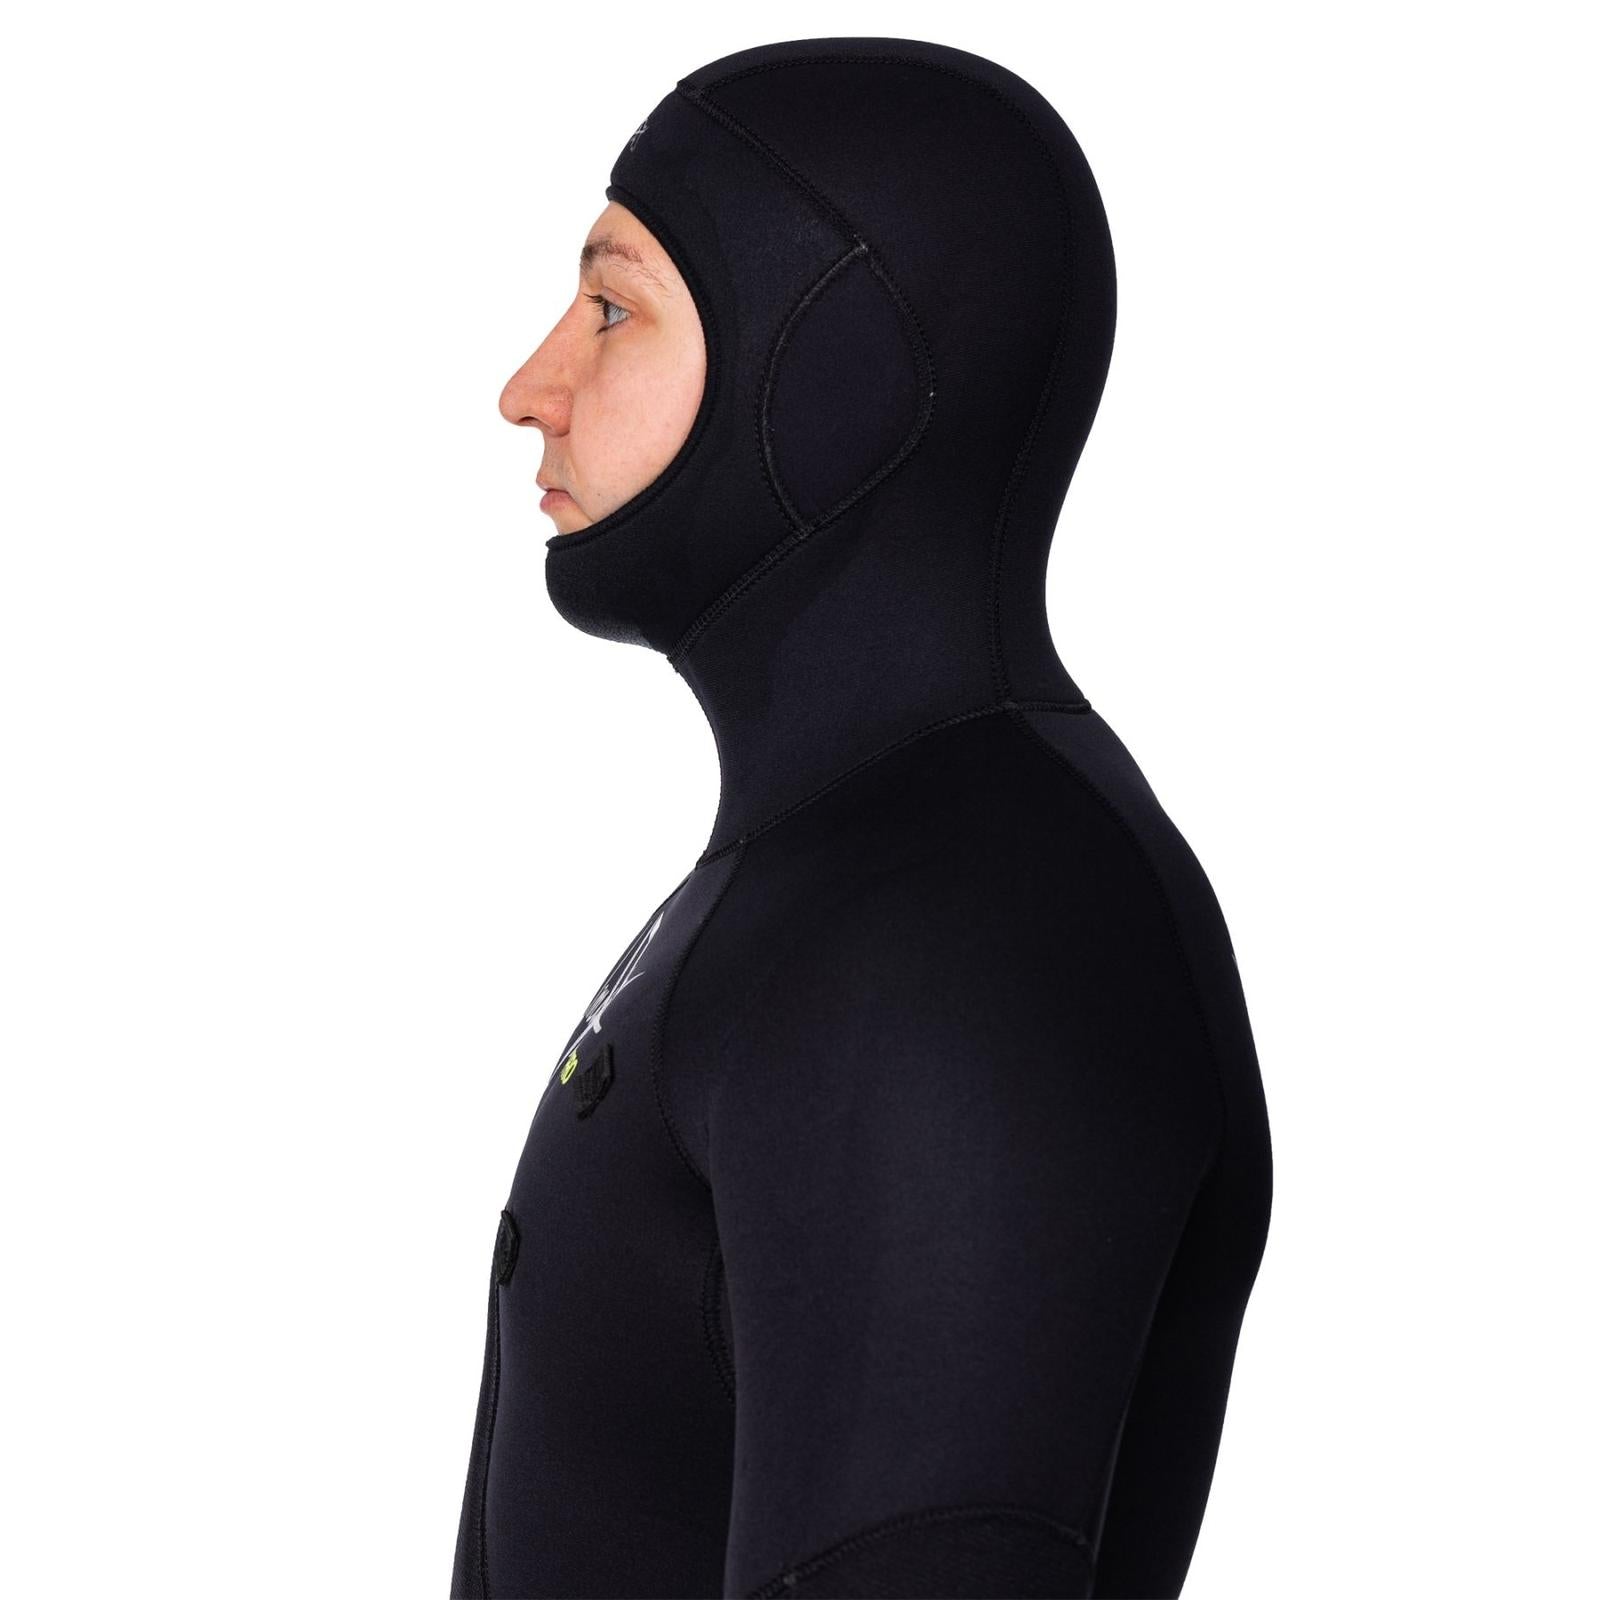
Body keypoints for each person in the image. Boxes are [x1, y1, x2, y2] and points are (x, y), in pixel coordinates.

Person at [453, 35, 1273, 1600]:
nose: (529, 388)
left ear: (829, 367)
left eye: (614, 309)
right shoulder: (848, 883)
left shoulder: (964, 949)